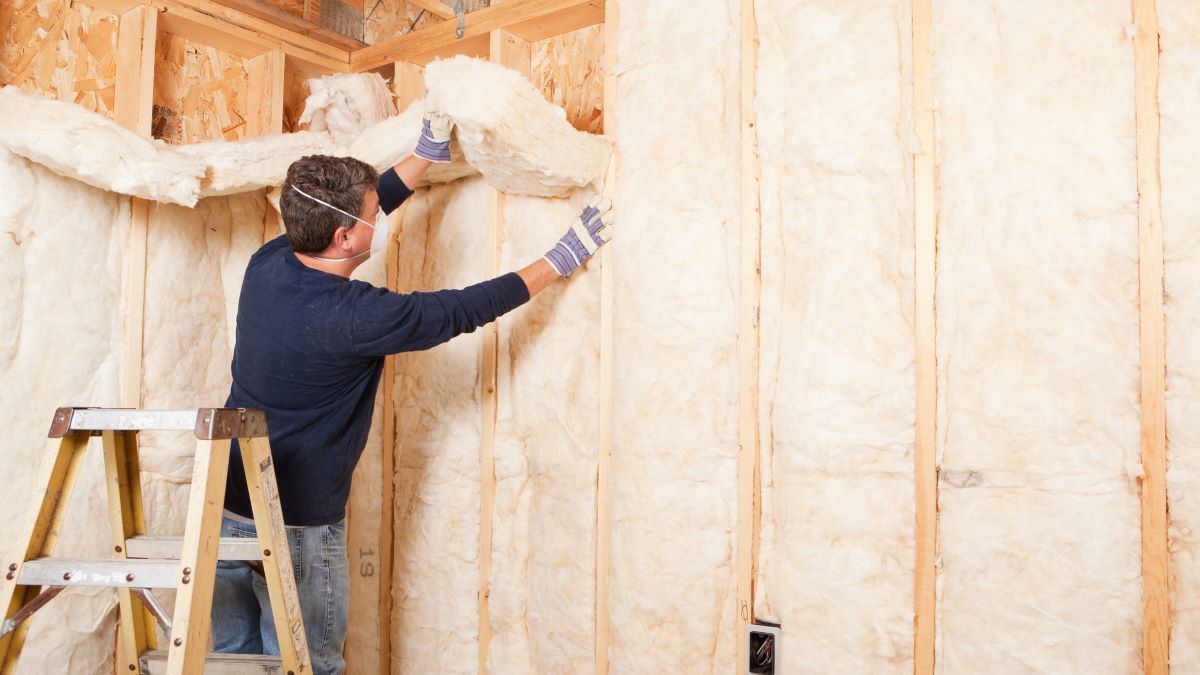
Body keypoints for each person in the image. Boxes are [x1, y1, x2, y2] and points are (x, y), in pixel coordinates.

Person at [209, 111, 613, 674]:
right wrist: (558, 260)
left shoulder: (268, 262)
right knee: (307, 666)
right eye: (373, 217)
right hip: (295, 527)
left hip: (224, 507)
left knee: (225, 661)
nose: (379, 223)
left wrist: (424, 156)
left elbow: (345, 220)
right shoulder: (356, 317)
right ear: (345, 237)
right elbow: (462, 309)